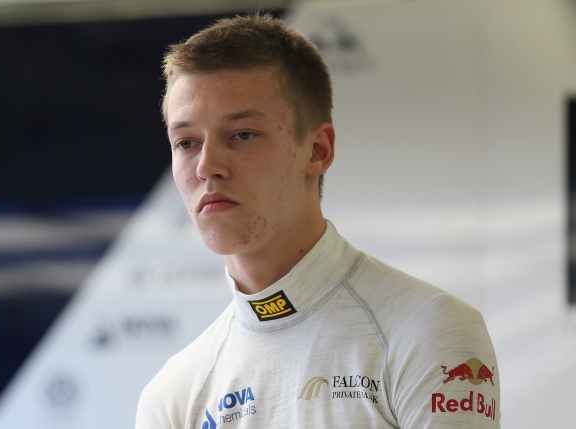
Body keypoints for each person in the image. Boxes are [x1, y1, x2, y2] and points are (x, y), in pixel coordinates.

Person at [136, 12, 500, 428]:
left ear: (317, 150)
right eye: (186, 142)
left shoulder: (431, 329)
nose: (206, 167)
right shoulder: (173, 395)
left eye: (242, 135)